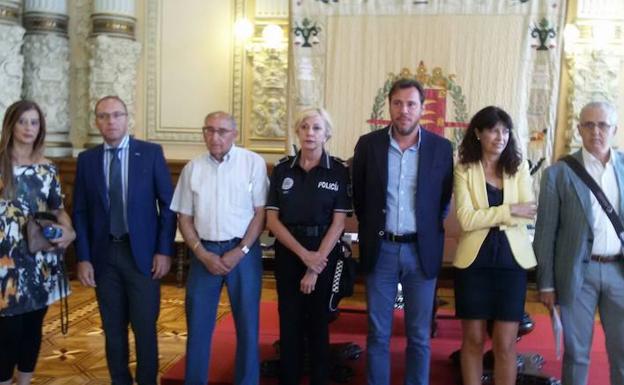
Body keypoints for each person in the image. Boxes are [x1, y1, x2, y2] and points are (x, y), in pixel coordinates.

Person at [352, 78, 453, 385]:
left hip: (421, 252)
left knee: (419, 335)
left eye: (411, 104)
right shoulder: (368, 145)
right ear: (390, 107)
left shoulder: (441, 148)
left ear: (422, 109)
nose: (404, 111)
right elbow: (359, 196)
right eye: (398, 103)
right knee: (378, 333)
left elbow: (443, 199)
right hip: (381, 250)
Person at [73, 95, 176, 385]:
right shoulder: (87, 160)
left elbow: (168, 207)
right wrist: (82, 257)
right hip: (104, 257)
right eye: (104, 116)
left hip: (142, 257)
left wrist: (164, 250)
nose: (111, 121)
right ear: (97, 122)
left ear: (127, 118)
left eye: (116, 115)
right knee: (113, 330)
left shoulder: (151, 153)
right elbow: (80, 212)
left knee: (145, 328)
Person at [171, 111, 267, 385]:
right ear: (203, 133)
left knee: (248, 328)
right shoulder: (192, 168)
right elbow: (184, 217)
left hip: (244, 254)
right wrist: (201, 253)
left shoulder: (252, 163)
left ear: (234, 134)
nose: (215, 136)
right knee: (198, 329)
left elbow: (260, 214)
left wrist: (242, 251)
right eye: (209, 130)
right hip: (205, 256)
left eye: (222, 131)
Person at [534, 101, 624, 385]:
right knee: (577, 353)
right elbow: (545, 232)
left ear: (615, 129)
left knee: (623, 352)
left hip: (619, 272)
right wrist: (546, 283)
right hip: (576, 274)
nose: (595, 131)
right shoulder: (558, 173)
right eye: (588, 124)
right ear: (579, 129)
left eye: (603, 125)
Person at [266, 108, 352, 385]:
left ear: (327, 134)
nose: (310, 133)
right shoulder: (282, 170)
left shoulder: (338, 171)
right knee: (288, 321)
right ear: (297, 131)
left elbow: (338, 223)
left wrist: (314, 266)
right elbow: (272, 220)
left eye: (316, 128)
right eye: (304, 127)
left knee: (318, 322)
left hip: (324, 255)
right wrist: (304, 256)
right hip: (289, 253)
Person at [453, 106, 537, 385]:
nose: (499, 136)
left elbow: (529, 213)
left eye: (504, 130)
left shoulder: (519, 167)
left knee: (505, 343)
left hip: (511, 263)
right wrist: (509, 210)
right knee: (473, 340)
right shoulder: (464, 169)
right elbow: (466, 220)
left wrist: (490, 215)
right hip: (473, 264)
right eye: (492, 130)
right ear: (478, 133)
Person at [0, 100, 76, 385]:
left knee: (33, 327)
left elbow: (57, 210)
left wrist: (69, 233)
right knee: (8, 331)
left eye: (34, 122)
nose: (29, 128)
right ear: (11, 125)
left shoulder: (48, 168)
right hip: (4, 262)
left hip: (39, 259)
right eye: (23, 122)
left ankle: (25, 381)